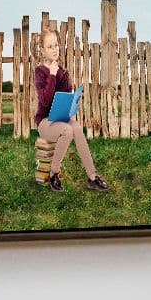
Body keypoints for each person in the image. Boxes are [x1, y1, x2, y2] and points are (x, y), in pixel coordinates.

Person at [33, 28, 110, 193]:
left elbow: (65, 98)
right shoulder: (40, 72)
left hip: (60, 118)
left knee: (77, 128)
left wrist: (71, 100)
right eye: (49, 47)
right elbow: (45, 100)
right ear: (42, 50)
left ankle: (92, 176)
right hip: (45, 121)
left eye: (56, 45)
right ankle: (53, 173)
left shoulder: (62, 72)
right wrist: (52, 75)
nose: (54, 49)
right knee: (67, 130)